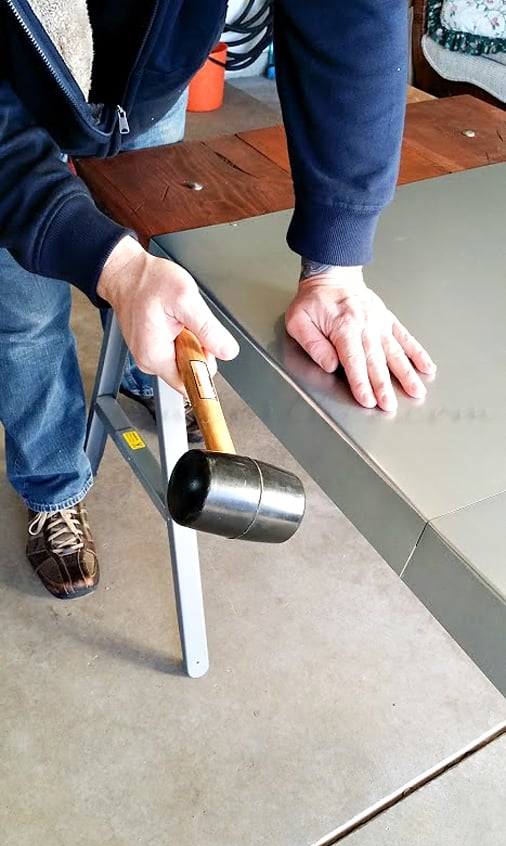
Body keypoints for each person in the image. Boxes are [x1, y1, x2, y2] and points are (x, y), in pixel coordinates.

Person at [0, 0, 436, 600]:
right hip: (13, 65)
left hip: (146, 69)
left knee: (159, 254)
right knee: (23, 313)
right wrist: (115, 269)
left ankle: (141, 377)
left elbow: (350, 13)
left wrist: (335, 261)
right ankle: (54, 491)